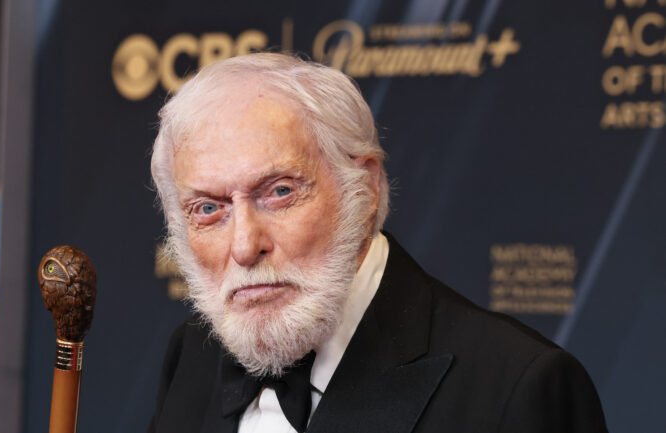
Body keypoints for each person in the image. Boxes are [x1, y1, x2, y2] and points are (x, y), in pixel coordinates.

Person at [148, 52, 607, 433]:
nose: (245, 246)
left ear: (363, 190)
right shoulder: (192, 357)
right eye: (209, 209)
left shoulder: (520, 388)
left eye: (280, 192)